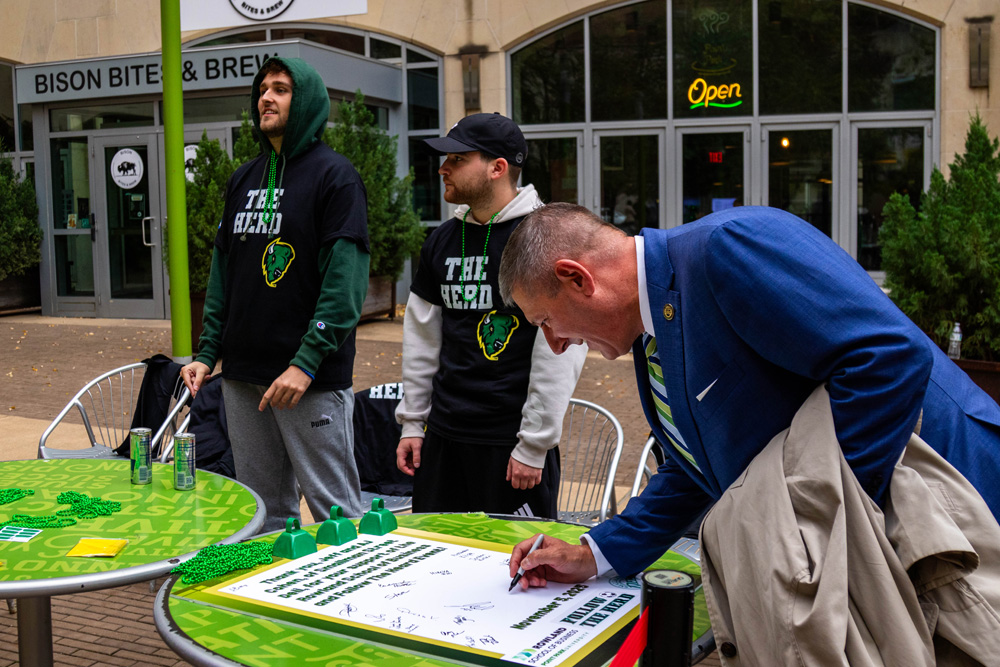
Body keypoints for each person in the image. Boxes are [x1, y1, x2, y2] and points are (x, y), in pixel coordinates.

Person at [498, 202, 1000, 584]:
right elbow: (695, 465)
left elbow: (887, 359)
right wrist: (595, 553)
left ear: (576, 277)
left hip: (958, 511)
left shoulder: (727, 248)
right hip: (899, 537)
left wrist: (807, 525)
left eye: (546, 321)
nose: (556, 343)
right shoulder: (652, 323)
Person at [180, 57, 369, 533]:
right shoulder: (243, 179)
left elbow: (344, 285)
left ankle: (354, 604)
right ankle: (269, 608)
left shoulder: (335, 177)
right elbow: (225, 272)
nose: (266, 97)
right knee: (265, 515)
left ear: (304, 101)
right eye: (263, 88)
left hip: (307, 380)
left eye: (281, 89)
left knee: (337, 513)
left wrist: (305, 363)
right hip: (243, 378)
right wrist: (208, 352)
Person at [395, 113, 586, 519]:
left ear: (498, 168)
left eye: (458, 159)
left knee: (515, 574)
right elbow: (421, 340)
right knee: (436, 560)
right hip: (443, 440)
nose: (443, 167)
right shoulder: (441, 241)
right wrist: (413, 424)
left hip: (511, 448)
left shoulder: (546, 239)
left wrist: (534, 445)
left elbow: (560, 350)